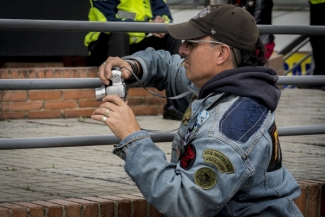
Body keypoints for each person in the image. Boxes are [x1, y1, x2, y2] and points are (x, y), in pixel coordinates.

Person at [92, 4, 303, 216]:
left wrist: (132, 136)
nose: (182, 49)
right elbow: (167, 65)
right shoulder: (223, 86)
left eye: (191, 42)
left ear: (221, 53)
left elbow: (184, 202)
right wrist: (133, 65)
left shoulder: (229, 130)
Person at [84, 0, 184, 120]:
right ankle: (116, 105)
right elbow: (109, 19)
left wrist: (159, 25)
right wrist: (147, 25)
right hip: (104, 45)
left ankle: (175, 107)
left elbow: (164, 15)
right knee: (119, 33)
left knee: (172, 36)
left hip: (134, 43)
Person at [309, 0, 325, 88]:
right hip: (315, 4)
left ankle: (318, 80)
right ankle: (317, 80)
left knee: (319, 41)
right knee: (316, 40)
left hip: (321, 5)